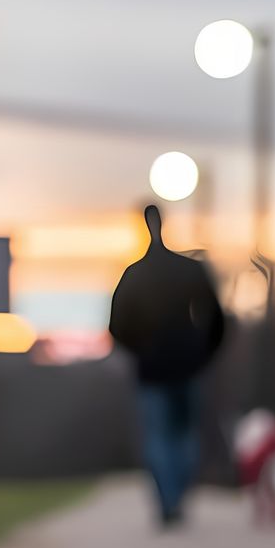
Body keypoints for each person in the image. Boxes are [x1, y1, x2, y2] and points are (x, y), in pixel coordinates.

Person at [108, 205, 226, 527]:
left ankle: (168, 500)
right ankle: (178, 498)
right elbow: (217, 317)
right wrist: (203, 353)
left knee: (159, 437)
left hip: (152, 369)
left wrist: (140, 350)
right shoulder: (189, 270)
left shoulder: (135, 274)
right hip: (188, 365)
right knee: (185, 434)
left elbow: (117, 327)